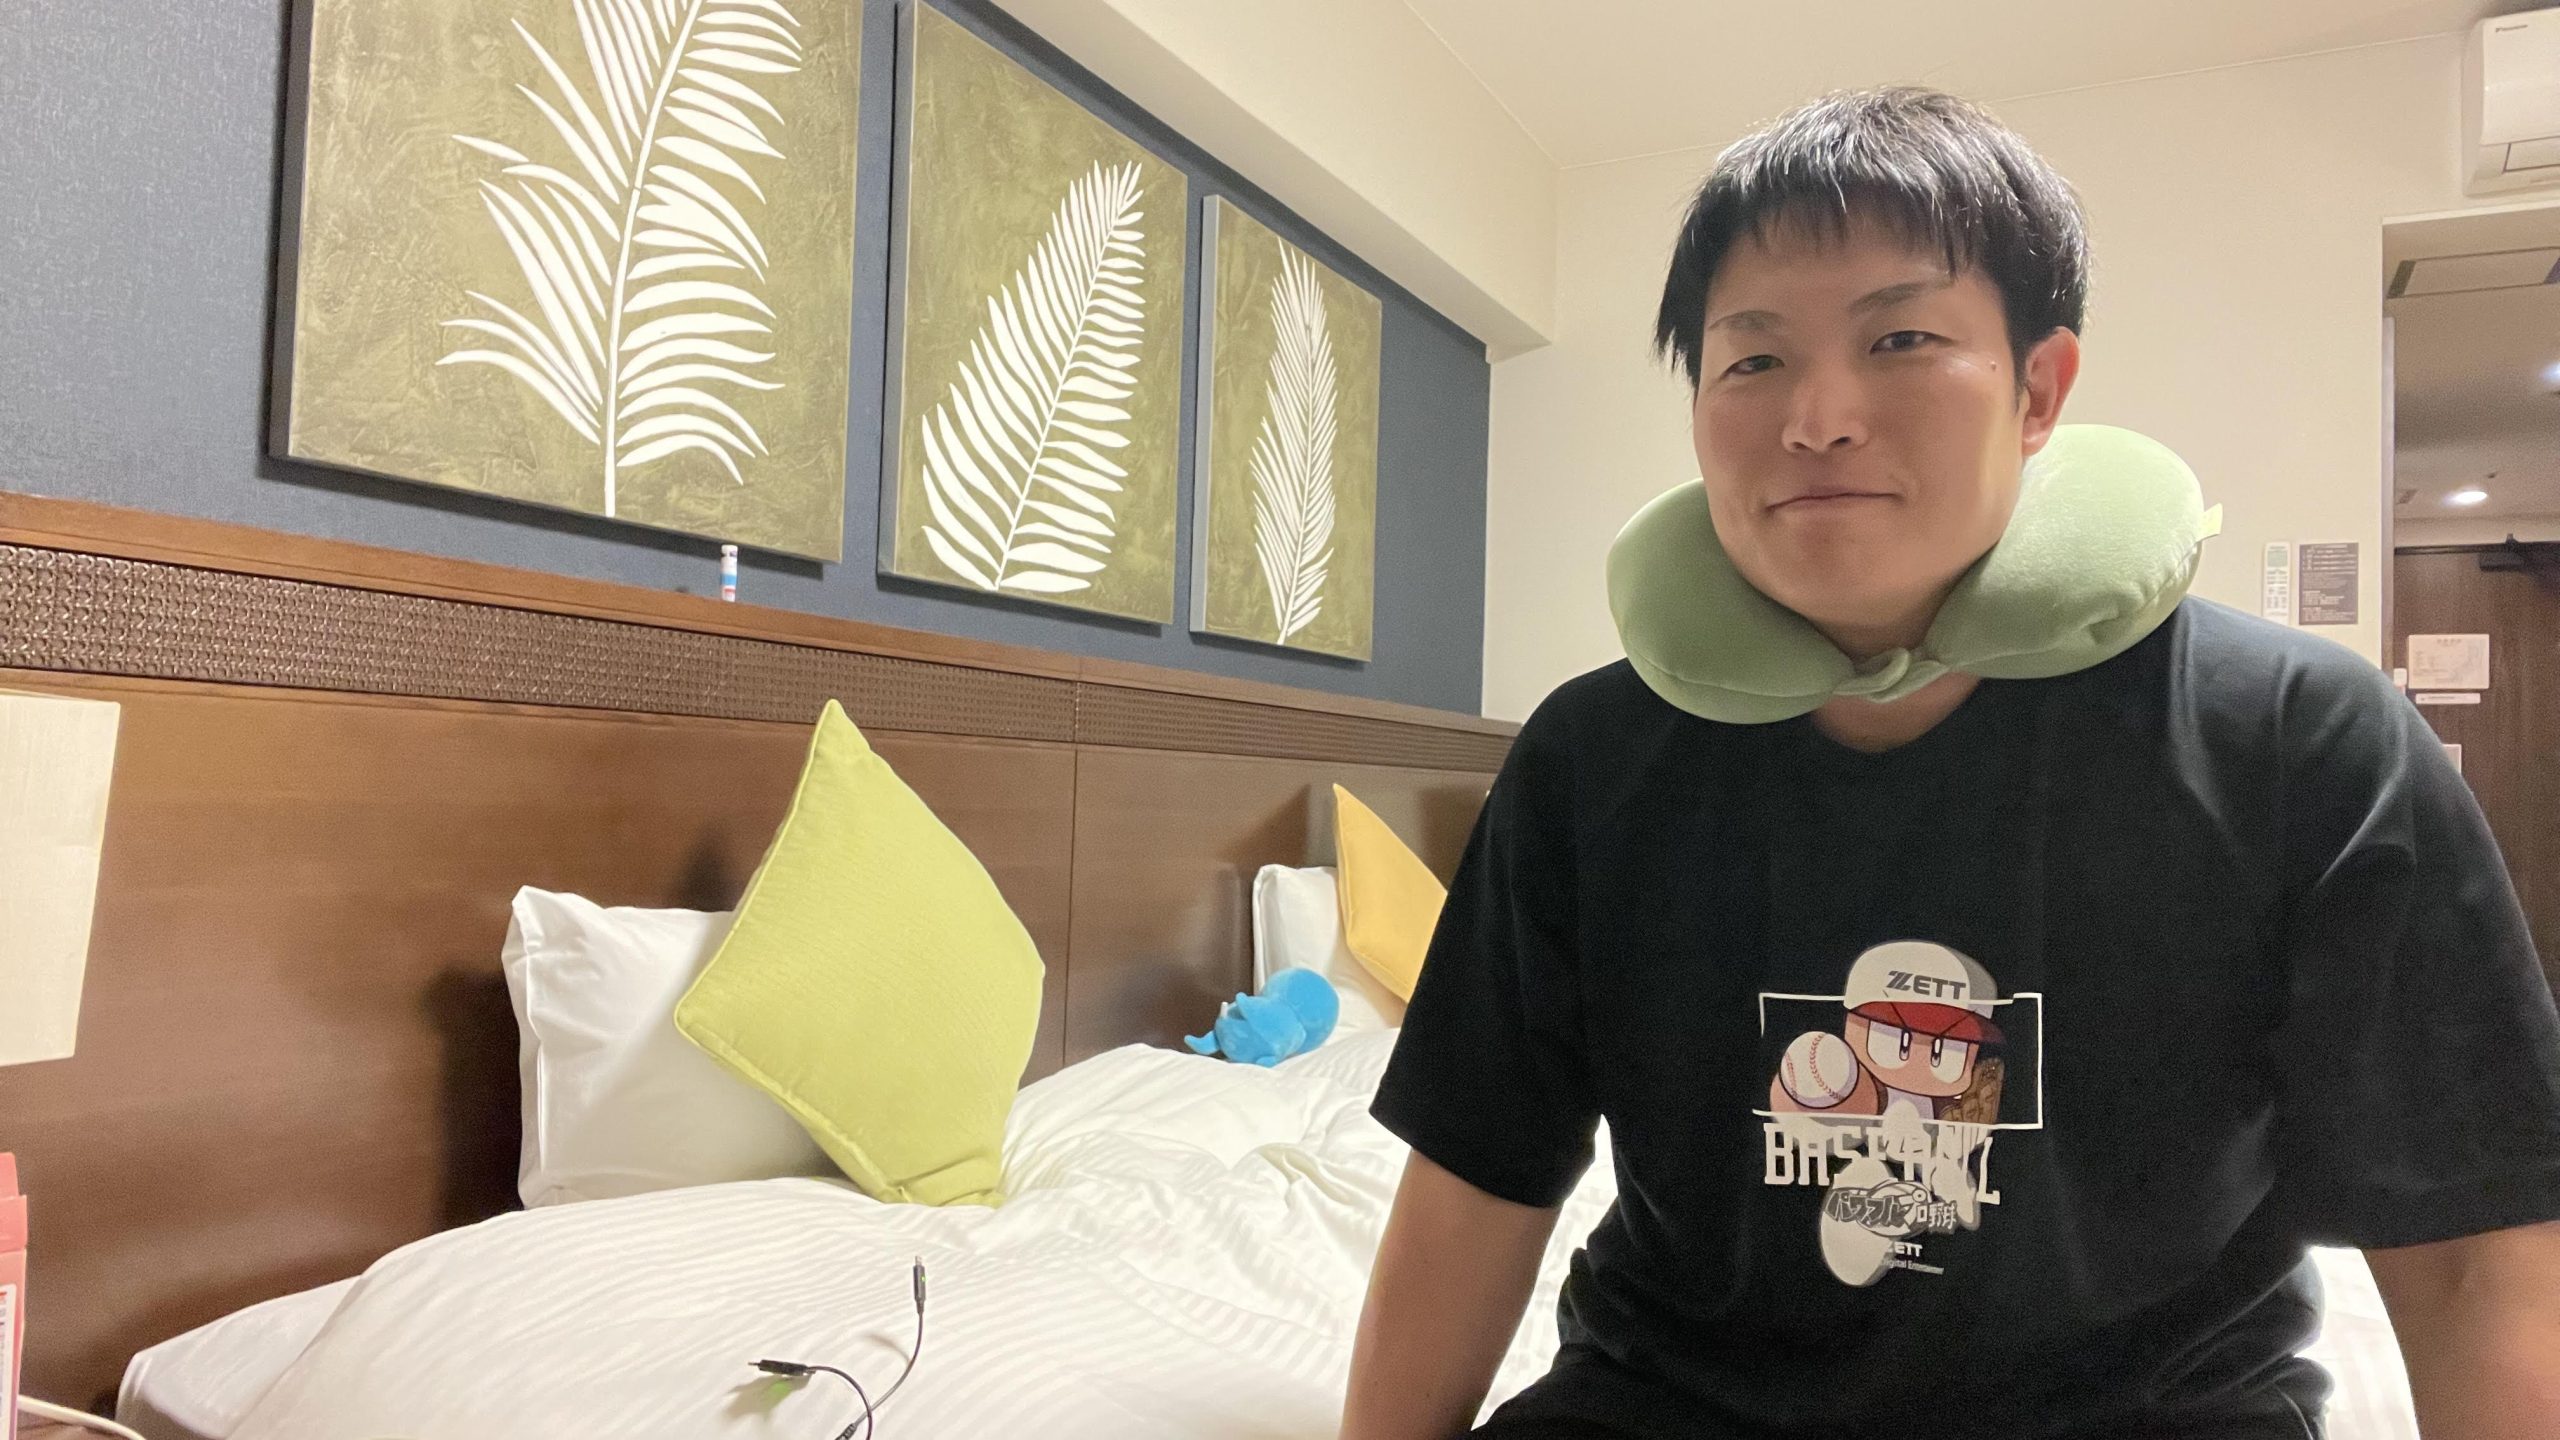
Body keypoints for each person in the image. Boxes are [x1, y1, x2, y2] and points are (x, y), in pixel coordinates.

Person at [1338, 86, 2560, 1440]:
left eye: (1901, 338)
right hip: (1668, 1400)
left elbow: (2471, 1256)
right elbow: (1476, 1179)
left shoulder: (2304, 741)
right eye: (1752, 360)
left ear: (2039, 389)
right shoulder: (1587, 757)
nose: (1817, 417)